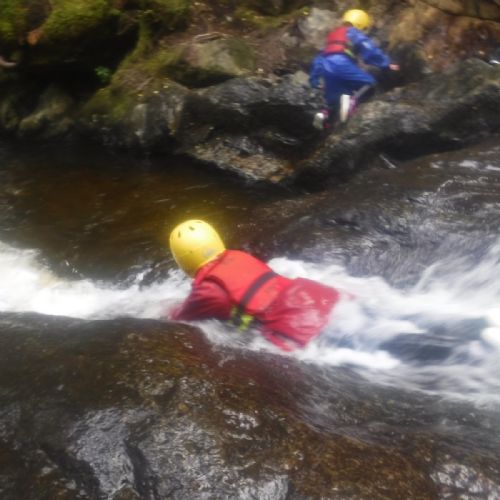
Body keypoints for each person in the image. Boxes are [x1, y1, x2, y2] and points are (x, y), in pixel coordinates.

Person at [167, 219, 342, 351]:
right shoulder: (238, 256)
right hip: (314, 295)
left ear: (183, 260)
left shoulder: (208, 291)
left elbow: (177, 321)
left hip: (292, 324)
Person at [310, 9, 399, 128]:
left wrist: (315, 80)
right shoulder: (352, 32)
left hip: (327, 67)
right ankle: (352, 102)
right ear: (360, 24)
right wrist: (386, 63)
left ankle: (324, 114)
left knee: (336, 100)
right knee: (369, 84)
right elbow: (369, 49)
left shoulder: (333, 36)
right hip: (341, 63)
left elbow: (319, 58)